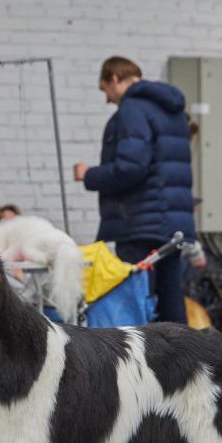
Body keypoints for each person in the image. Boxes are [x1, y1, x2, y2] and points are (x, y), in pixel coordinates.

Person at [73, 56, 197, 323]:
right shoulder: (171, 110)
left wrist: (89, 175)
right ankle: (182, 363)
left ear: (115, 79)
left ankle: (140, 365)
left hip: (140, 223)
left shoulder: (131, 109)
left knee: (134, 306)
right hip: (170, 221)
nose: (107, 99)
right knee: (171, 304)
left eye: (105, 89)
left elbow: (132, 167)